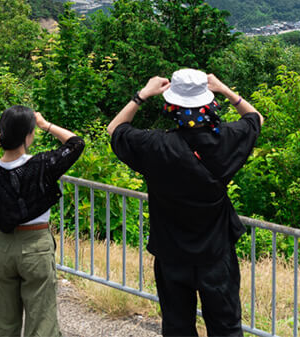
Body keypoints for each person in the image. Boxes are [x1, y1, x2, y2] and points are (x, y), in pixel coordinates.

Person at [107, 68, 263, 337]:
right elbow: (255, 118)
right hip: (216, 254)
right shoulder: (224, 140)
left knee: (177, 327)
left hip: (171, 254)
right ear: (207, 103)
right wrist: (224, 89)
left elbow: (114, 129)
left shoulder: (155, 145)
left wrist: (142, 95)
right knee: (225, 327)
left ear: (171, 106)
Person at [0, 105, 84, 337]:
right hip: (36, 246)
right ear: (28, 135)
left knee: (3, 323)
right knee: (41, 323)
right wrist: (46, 124)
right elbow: (76, 144)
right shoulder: (42, 165)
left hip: (3, 245)